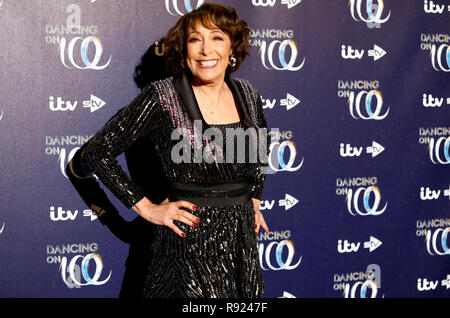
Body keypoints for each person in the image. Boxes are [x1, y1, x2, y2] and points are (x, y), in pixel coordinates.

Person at [70, 3, 270, 298]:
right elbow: (99, 151)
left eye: (216, 37)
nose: (205, 49)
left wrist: (253, 198)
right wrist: (147, 207)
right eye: (194, 39)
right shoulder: (161, 96)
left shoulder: (248, 94)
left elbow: (259, 147)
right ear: (184, 50)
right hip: (185, 245)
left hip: (239, 244)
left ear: (232, 49)